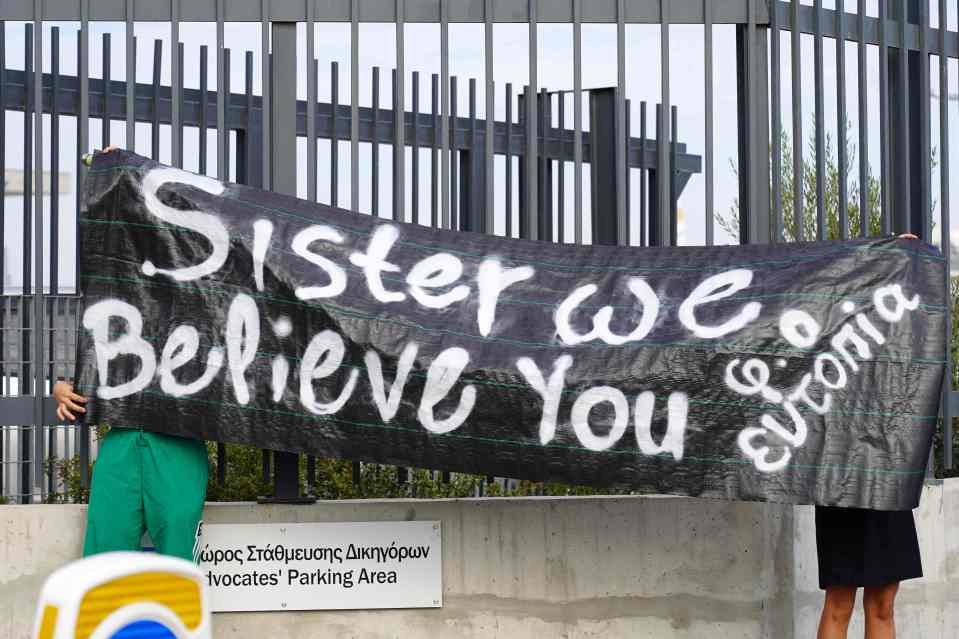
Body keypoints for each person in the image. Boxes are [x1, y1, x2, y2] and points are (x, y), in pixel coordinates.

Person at [54, 145, 208, 563]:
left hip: (178, 445)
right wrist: (62, 387)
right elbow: (85, 366)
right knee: (105, 563)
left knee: (177, 565)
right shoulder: (112, 295)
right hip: (121, 445)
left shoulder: (208, 292)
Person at [815, 232, 923, 639]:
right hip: (839, 473)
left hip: (889, 470)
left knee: (883, 600)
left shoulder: (902, 329)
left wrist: (902, 252)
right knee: (840, 599)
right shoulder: (827, 327)